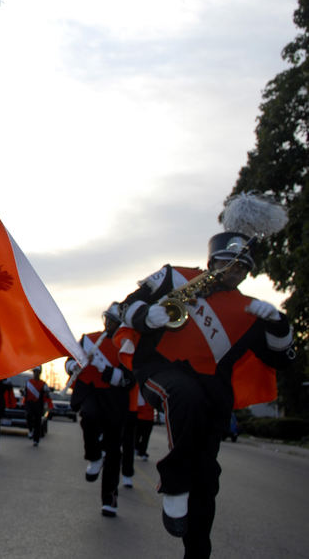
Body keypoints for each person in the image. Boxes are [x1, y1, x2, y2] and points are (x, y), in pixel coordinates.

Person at [112, 193, 293, 558]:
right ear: (213, 261)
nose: (234, 272)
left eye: (242, 267)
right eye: (228, 264)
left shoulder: (249, 310)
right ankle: (174, 484)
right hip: (159, 369)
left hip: (213, 394)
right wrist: (148, 317)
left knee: (207, 478)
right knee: (183, 393)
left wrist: (278, 322)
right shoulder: (174, 277)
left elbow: (282, 359)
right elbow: (121, 308)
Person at [64, 305, 131, 518]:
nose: (109, 324)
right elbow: (69, 361)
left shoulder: (129, 345)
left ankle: (109, 498)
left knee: (113, 450)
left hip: (115, 398)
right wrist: (74, 367)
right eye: (108, 320)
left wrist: (105, 369)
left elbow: (129, 378)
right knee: (89, 417)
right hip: (90, 391)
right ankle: (94, 456)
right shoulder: (89, 339)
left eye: (114, 321)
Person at [22, 366, 49, 447]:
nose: (36, 374)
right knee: (28, 416)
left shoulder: (43, 384)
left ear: (40, 373)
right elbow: (25, 393)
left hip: (38, 405)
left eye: (37, 372)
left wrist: (46, 393)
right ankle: (30, 430)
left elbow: (46, 394)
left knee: (38, 422)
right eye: (34, 372)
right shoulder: (28, 382)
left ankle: (36, 440)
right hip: (29, 404)